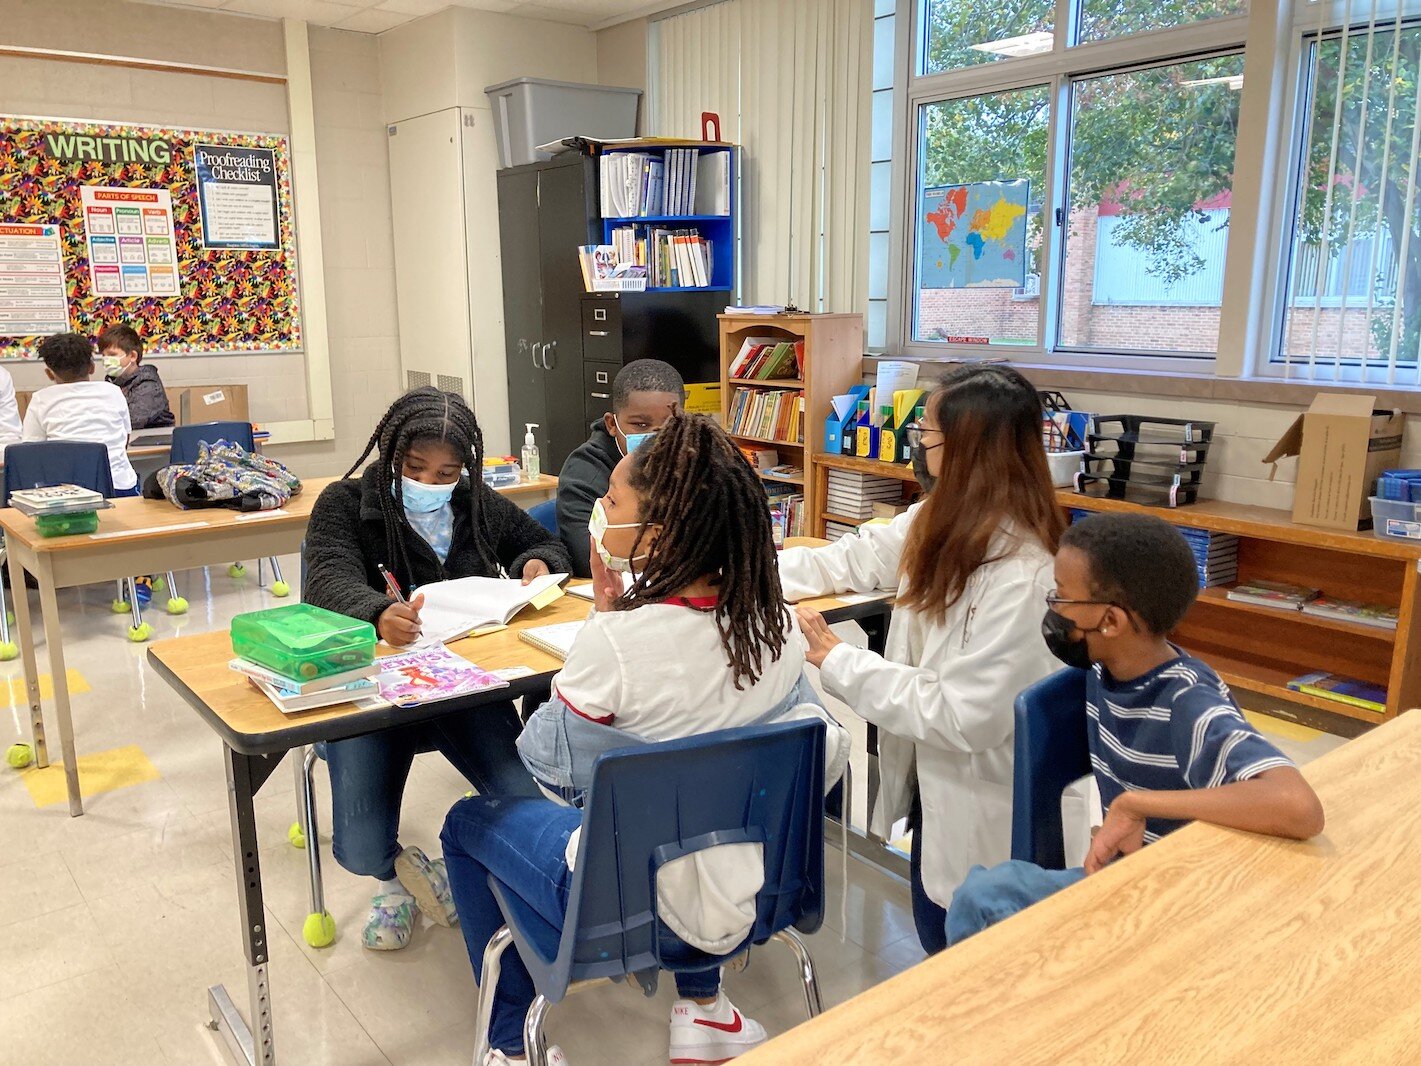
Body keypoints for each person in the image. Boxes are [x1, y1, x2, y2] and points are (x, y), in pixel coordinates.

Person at [441, 413, 848, 1066]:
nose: (599, 511)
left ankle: (507, 1042)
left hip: (623, 902)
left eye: (611, 502)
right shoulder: (777, 626)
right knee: (696, 796)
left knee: (467, 822)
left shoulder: (617, 643)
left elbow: (546, 771)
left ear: (654, 534)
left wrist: (607, 619)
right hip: (754, 884)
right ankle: (706, 1011)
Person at [782, 363, 1061, 955]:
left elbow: (962, 715)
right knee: (935, 910)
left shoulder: (1025, 573)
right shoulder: (940, 518)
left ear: (965, 450)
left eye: (925, 438)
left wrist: (840, 661)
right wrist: (737, 570)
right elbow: (849, 561)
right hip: (937, 790)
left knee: (965, 946)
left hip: (984, 801)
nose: (918, 449)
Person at [945, 512, 1326, 942]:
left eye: (1061, 598)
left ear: (1110, 622)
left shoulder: (1187, 700)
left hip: (1182, 902)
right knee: (993, 889)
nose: (1053, 609)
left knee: (982, 897)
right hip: (1132, 877)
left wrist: (1136, 805)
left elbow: (1299, 807)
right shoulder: (1105, 667)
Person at [303, 387, 571, 951]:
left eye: (447, 471)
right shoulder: (345, 502)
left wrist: (534, 563)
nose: (430, 484)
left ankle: (488, 876)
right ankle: (393, 878)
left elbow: (539, 541)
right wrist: (376, 613)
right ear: (390, 453)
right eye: (414, 468)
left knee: (522, 801)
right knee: (358, 847)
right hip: (373, 702)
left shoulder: (473, 502)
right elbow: (326, 578)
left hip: (463, 689)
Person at [556, 358, 684, 577]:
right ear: (612, 424)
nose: (657, 437)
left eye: (670, 425)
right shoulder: (586, 472)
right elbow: (588, 556)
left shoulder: (694, 461)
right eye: (641, 425)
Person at [24, 332, 138, 495]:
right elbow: (124, 439)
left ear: (49, 373)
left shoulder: (41, 399)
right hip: (119, 488)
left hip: (66, 493)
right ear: (92, 367)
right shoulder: (113, 392)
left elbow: (32, 452)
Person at [97, 323, 175, 429]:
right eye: (103, 355)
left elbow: (134, 420)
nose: (106, 360)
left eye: (112, 355)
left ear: (132, 356)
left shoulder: (148, 383)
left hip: (152, 442)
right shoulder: (111, 382)